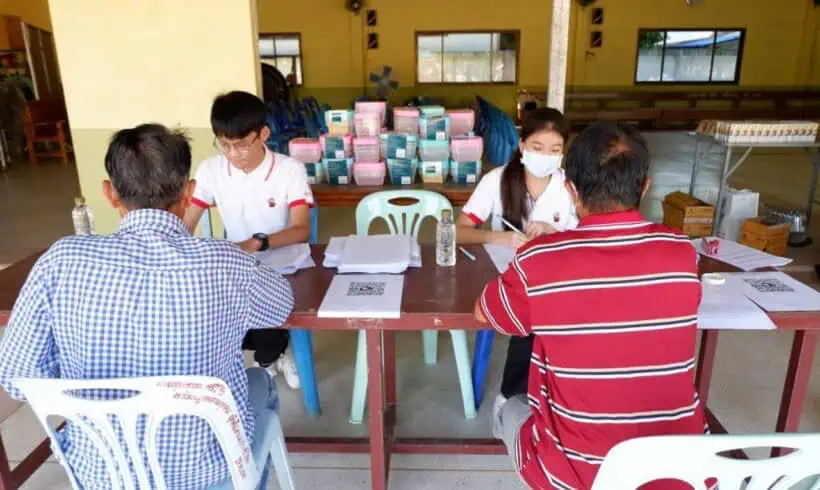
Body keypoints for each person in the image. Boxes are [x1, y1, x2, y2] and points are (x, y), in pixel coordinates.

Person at [0, 124, 294, 489]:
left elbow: (16, 376)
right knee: (260, 381)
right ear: (189, 193)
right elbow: (281, 305)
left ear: (109, 194)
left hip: (102, 474)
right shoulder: (222, 261)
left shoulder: (62, 260)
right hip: (205, 474)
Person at [476, 122, 707, 489]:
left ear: (570, 189)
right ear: (645, 187)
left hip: (578, 473)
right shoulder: (681, 252)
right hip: (681, 472)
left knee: (512, 406)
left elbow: (489, 315)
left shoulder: (539, 259)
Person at [456, 107, 578, 428]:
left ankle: (542, 396)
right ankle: (511, 396)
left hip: (554, 278)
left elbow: (587, 239)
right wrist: (501, 237)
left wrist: (555, 234)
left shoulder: (570, 188)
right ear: (522, 145)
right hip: (506, 275)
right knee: (532, 312)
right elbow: (459, 230)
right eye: (537, 148)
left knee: (553, 312)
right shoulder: (496, 180)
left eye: (555, 150)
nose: (546, 157)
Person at [183, 90, 313, 389]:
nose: (233, 153)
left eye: (242, 144)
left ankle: (273, 354)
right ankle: (273, 351)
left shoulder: (288, 170)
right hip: (237, 263)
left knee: (263, 301)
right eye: (225, 145)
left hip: (283, 261)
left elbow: (300, 229)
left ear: (263, 133)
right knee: (209, 309)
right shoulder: (211, 170)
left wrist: (257, 243)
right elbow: (187, 222)